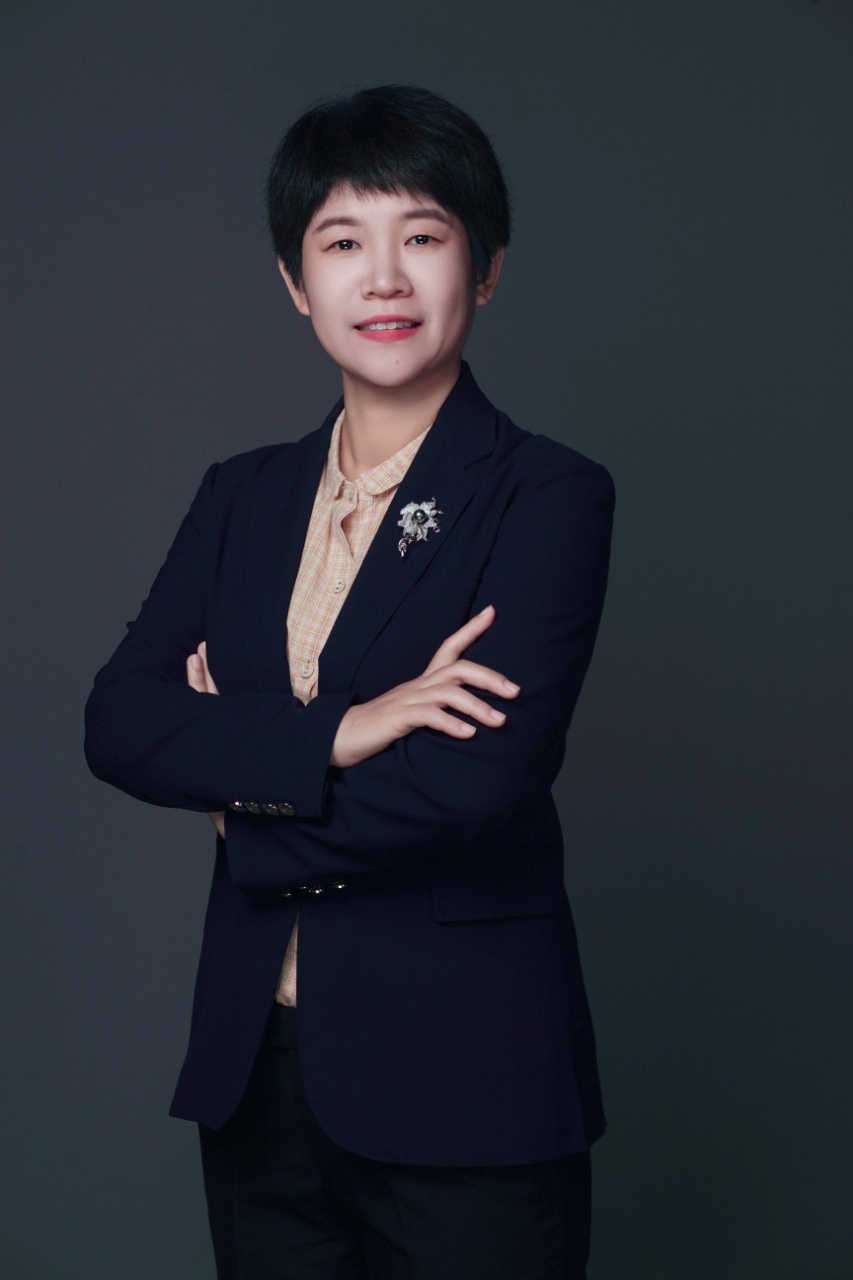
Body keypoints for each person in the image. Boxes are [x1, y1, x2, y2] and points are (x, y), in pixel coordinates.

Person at [84, 83, 616, 1280]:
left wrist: (240, 798)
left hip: (466, 1081)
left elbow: (468, 784)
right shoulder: (242, 494)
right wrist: (344, 728)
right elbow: (120, 720)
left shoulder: (545, 494)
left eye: (421, 235)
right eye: (340, 243)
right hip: (258, 1077)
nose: (382, 278)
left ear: (484, 269)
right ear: (294, 280)